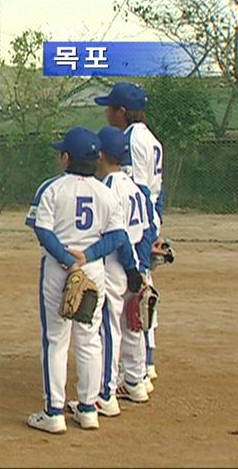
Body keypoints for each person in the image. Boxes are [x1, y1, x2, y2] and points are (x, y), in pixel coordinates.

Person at [24, 127, 135, 433]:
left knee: (56, 341)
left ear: (66, 158)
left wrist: (67, 257)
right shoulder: (105, 192)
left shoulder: (52, 188)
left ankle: (54, 413)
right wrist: (87, 255)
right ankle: (88, 409)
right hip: (93, 270)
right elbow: (117, 236)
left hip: (59, 270)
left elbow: (42, 230)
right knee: (89, 340)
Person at [65, 127, 150, 417]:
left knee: (109, 329)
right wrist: (141, 266)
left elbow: (119, 236)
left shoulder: (110, 187)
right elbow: (148, 230)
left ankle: (105, 394)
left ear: (100, 155)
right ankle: (136, 379)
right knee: (133, 323)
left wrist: (128, 267)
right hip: (137, 261)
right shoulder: (135, 186)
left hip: (117, 265)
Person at [94, 82, 164, 384]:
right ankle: (140, 372)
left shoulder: (130, 141)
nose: (107, 113)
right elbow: (152, 196)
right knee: (139, 301)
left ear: (121, 112)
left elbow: (137, 190)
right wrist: (155, 228)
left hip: (129, 231)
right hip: (144, 224)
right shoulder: (151, 138)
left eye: (110, 108)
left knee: (120, 313)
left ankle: (114, 385)